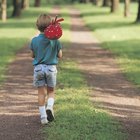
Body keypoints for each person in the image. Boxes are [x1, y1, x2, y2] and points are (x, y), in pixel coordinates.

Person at [29, 14, 62, 125]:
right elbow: (60, 55)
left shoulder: (34, 40)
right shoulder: (55, 40)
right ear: (51, 26)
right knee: (51, 91)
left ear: (37, 26)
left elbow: (32, 55)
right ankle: (50, 107)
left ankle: (43, 117)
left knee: (41, 93)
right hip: (51, 69)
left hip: (38, 69)